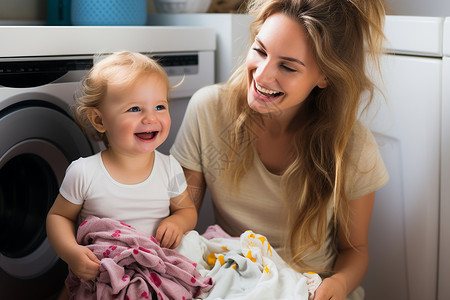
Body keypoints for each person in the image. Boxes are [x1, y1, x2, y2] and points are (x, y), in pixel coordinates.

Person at [171, 0, 389, 299]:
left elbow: (354, 250)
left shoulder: (351, 144)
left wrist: (336, 285)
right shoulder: (209, 110)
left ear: (325, 76)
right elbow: (181, 217)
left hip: (312, 287)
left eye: (287, 66)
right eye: (260, 51)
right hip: (237, 281)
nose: (261, 75)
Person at [46, 51, 197, 295]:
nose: (151, 117)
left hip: (155, 270)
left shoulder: (169, 167)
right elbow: (58, 217)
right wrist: (71, 253)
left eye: (160, 106)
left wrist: (177, 222)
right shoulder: (84, 172)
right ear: (99, 120)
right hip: (102, 273)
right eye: (135, 109)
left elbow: (187, 210)